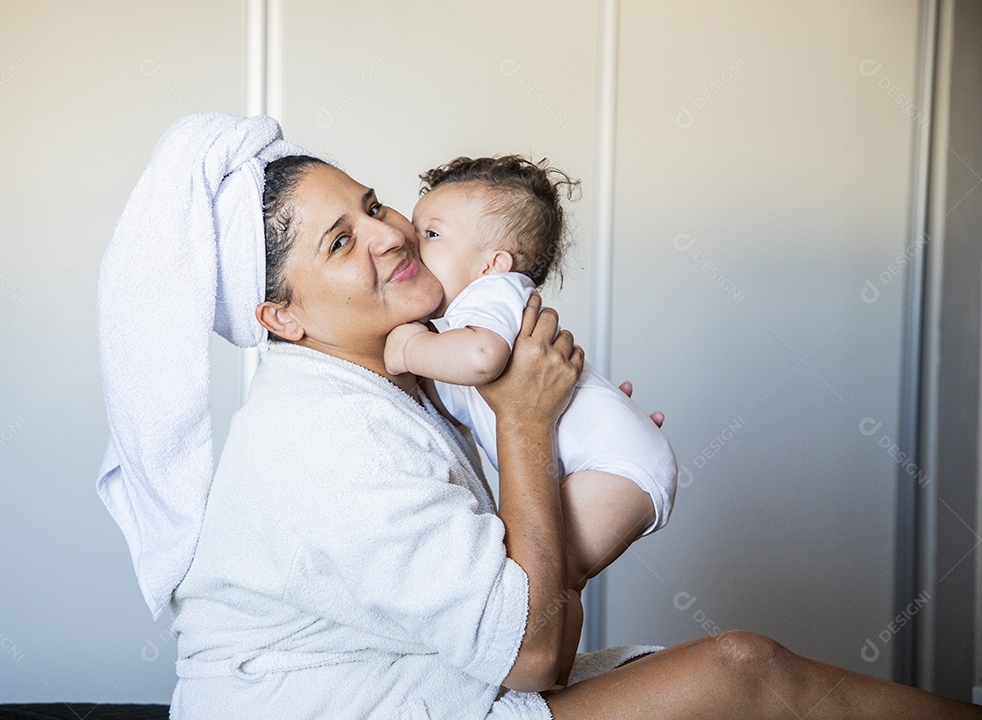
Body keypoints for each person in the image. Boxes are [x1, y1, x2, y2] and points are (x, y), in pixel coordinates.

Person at [97, 114, 982, 720]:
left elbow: (516, 595)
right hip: (334, 706)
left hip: (422, 677)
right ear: (281, 318)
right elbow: (531, 656)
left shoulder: (406, 372)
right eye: (340, 240)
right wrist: (524, 425)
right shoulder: (324, 435)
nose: (390, 233)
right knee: (742, 672)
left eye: (372, 203)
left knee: (747, 672)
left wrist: (556, 431)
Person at [382, 155, 677, 687]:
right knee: (559, 576)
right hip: (607, 454)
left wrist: (407, 346)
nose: (412, 244)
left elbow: (481, 361)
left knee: (555, 573)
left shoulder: (489, 299)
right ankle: (554, 678)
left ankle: (549, 681)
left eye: (432, 233)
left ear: (494, 262)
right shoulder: (466, 317)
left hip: (619, 463)